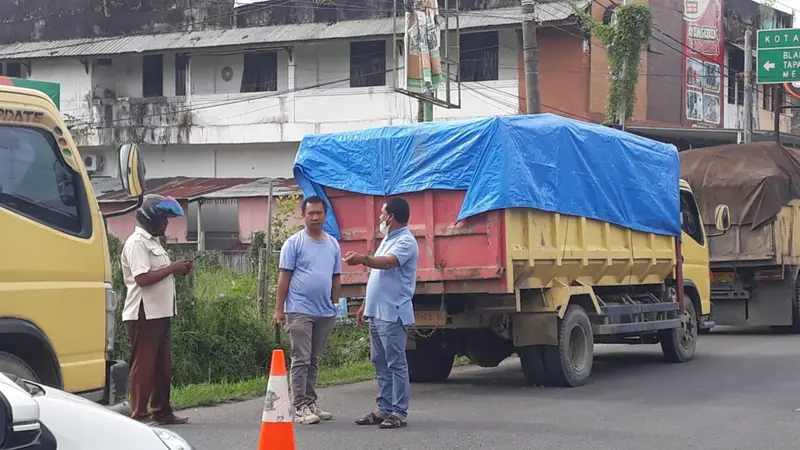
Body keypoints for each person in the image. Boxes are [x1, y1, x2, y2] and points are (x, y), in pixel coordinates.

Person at [344, 197, 419, 430]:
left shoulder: (406, 241)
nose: (380, 217)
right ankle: (383, 408)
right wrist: (365, 303)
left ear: (391, 217)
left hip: (392, 313)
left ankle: (399, 412)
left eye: (382, 213)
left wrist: (363, 259)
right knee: (380, 362)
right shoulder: (388, 239)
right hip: (377, 312)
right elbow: (377, 277)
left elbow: (387, 264)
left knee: (396, 362)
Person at [120, 194, 194, 425]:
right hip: (144, 313)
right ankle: (140, 414)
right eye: (163, 219)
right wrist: (173, 268)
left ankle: (162, 411)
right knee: (144, 365)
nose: (166, 224)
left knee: (163, 366)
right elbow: (142, 278)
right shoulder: (136, 243)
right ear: (151, 218)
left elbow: (158, 275)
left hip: (160, 312)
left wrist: (178, 269)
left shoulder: (153, 242)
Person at [273, 195, 342, 425]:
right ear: (303, 215)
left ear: (325, 215)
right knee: (300, 358)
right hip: (299, 309)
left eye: (319, 213)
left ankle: (311, 401)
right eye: (310, 213)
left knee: (313, 359)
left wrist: (334, 303)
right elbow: (284, 278)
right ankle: (300, 405)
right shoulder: (294, 243)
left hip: (325, 311)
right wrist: (279, 309)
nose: (315, 217)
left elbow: (335, 277)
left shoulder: (333, 244)